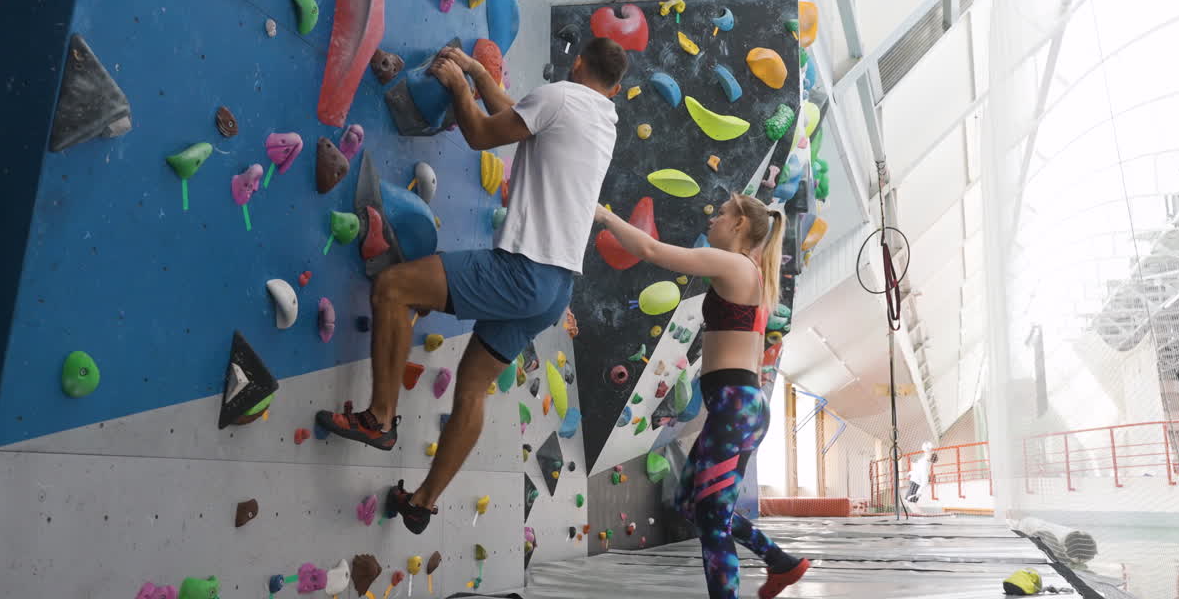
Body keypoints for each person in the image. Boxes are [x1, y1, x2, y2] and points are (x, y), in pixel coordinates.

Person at [316, 38, 626, 535]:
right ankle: (422, 503)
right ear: (615, 87)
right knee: (473, 388)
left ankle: (379, 418)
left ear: (578, 63)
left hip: (523, 270)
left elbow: (483, 134)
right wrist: (479, 77)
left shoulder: (561, 95)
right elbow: (521, 118)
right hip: (555, 289)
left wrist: (459, 83)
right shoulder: (602, 122)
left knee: (394, 289)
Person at [594, 194, 810, 599]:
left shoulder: (735, 265)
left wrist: (604, 214)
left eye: (722, 213)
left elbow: (650, 248)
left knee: (711, 518)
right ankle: (781, 562)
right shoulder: (749, 274)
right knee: (695, 507)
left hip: (735, 406)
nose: (714, 219)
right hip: (738, 406)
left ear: (740, 224)